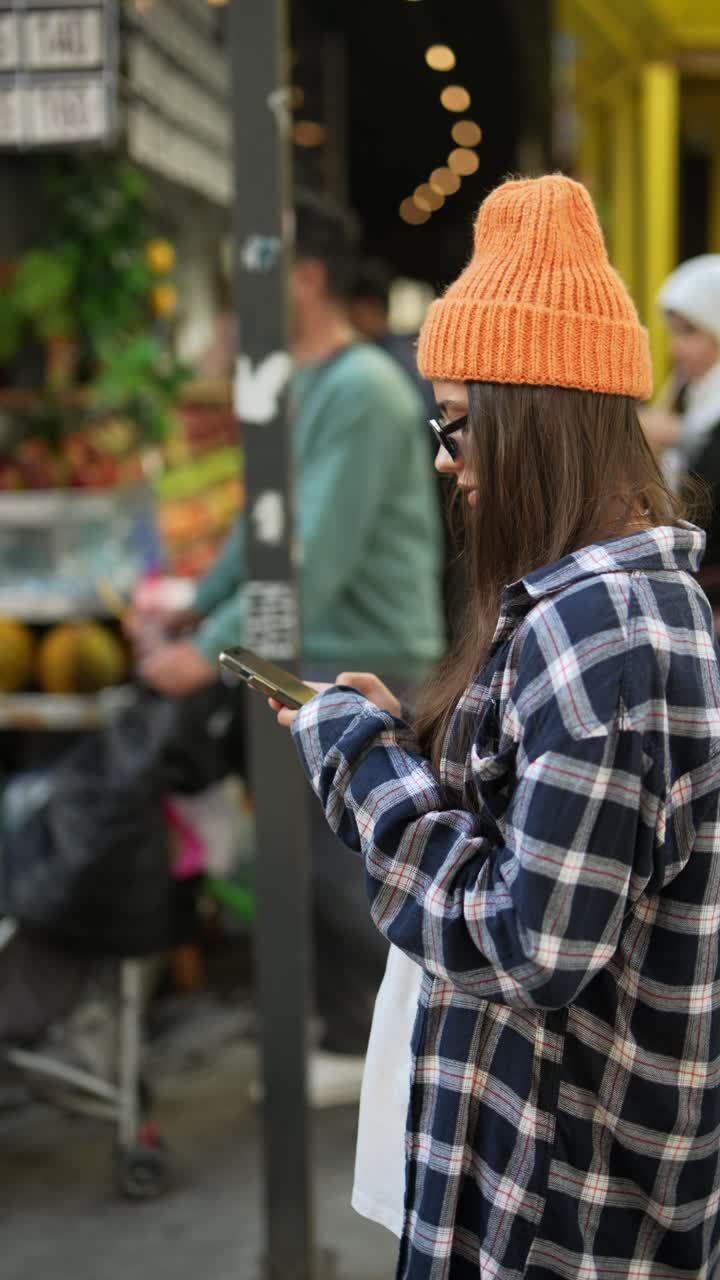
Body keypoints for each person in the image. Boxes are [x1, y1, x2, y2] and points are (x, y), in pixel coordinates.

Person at [274, 176, 720, 1276]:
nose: (444, 456)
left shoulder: (602, 629)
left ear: (537, 418)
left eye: (458, 422)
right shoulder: (604, 611)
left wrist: (363, 768)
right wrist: (412, 750)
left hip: (557, 1219)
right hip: (549, 1187)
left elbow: (530, 943)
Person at [129, 190, 446, 1101]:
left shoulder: (360, 390)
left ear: (303, 276)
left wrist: (211, 647)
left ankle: (367, 1046)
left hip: (358, 652)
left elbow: (313, 556)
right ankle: (350, 1034)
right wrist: (196, 609)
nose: (242, 284)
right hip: (309, 646)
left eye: (256, 263)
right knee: (310, 855)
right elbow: (260, 533)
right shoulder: (305, 384)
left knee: (342, 860)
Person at [641, 255, 720, 609]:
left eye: (690, 332)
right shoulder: (699, 396)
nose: (676, 347)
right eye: (673, 332)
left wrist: (679, 435)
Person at [348, 255, 436, 414]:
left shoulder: (380, 360)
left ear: (368, 306)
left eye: (351, 309)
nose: (348, 319)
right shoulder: (408, 352)